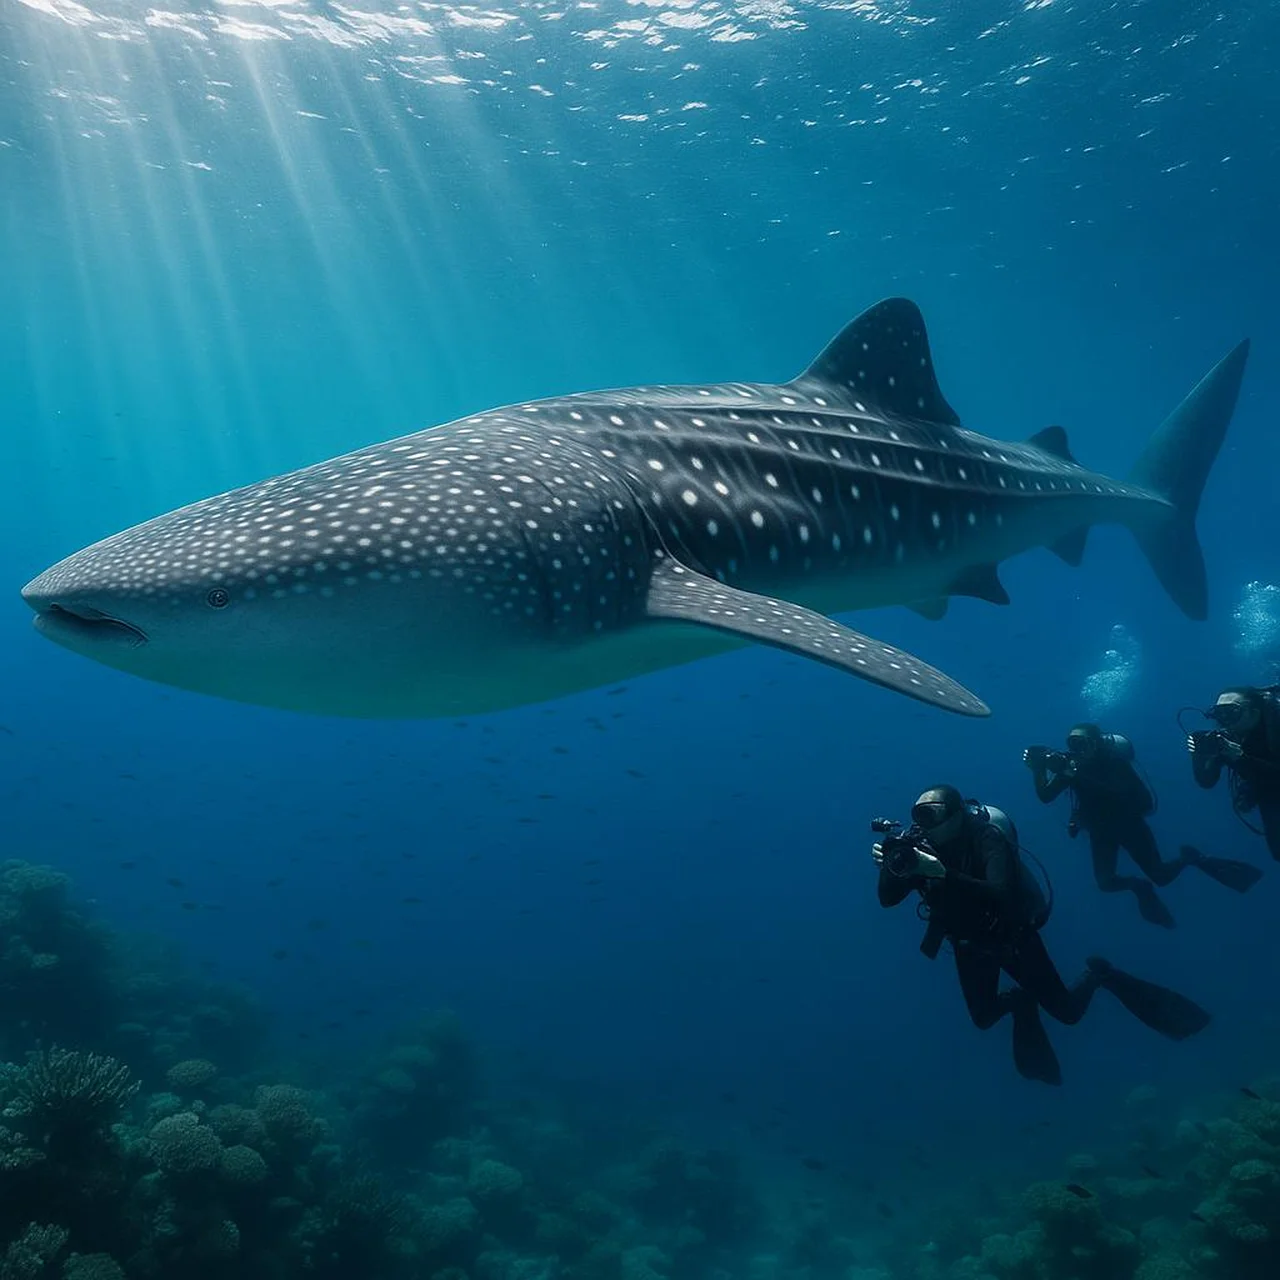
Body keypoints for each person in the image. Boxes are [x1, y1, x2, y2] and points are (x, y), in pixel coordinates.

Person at [872, 786, 1212, 1085]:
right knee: (984, 1018)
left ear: (958, 814)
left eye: (933, 815)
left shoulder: (987, 838)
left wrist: (943, 873)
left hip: (1012, 938)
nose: (926, 824)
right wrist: (892, 868)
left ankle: (1099, 975)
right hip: (968, 945)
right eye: (919, 815)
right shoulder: (920, 847)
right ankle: (1021, 1000)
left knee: (1068, 1014)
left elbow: (1000, 892)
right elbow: (887, 900)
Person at [1024, 723, 1260, 927]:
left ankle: (1190, 858)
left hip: (1130, 828)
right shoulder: (1072, 767)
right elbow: (1046, 796)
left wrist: (1073, 775)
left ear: (1097, 743)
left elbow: (1127, 794)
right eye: (1073, 743)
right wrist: (1038, 770)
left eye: (1083, 743)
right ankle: (1139, 887)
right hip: (1101, 832)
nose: (1077, 750)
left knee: (1162, 877)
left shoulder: (1115, 764)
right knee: (1105, 883)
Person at [1188, 686, 1280, 860]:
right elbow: (1207, 782)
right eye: (1219, 713)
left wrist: (1241, 758)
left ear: (1254, 712)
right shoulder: (1227, 739)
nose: (1224, 719)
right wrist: (1199, 757)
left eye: (1231, 711)